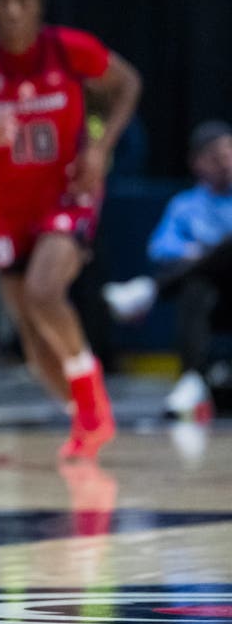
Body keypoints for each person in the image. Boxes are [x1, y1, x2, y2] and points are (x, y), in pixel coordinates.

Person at [0, 0, 141, 460]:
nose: (12, 10)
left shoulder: (69, 48)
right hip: (8, 207)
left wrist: (100, 147)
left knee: (44, 292)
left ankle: (90, 393)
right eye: (3, 0)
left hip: (66, 192)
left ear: (38, 4)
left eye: (21, 0)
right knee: (32, 339)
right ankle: (85, 418)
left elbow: (128, 85)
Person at [103, 119, 232, 419]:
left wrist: (202, 251)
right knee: (196, 285)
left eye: (230, 154)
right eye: (216, 156)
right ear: (197, 163)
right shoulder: (185, 205)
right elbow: (161, 248)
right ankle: (192, 379)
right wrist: (202, 257)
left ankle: (149, 291)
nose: (226, 162)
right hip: (213, 300)